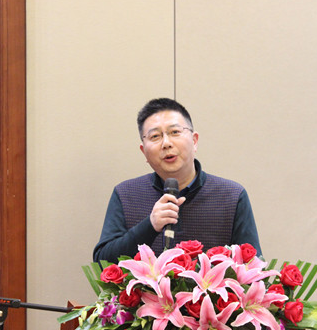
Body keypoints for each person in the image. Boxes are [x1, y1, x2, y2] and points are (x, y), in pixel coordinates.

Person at [93, 98, 261, 263]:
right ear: (144, 152)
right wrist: (150, 225)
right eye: (155, 136)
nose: (166, 143)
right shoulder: (126, 194)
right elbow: (102, 263)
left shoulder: (232, 196)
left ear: (194, 141)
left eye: (174, 132)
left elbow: (253, 267)